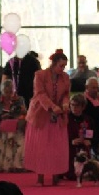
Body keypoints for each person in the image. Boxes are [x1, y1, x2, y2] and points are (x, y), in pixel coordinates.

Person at [24, 49, 70, 186]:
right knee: (41, 146)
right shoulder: (39, 75)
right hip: (40, 114)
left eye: (64, 66)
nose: (63, 69)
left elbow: (66, 94)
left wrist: (65, 103)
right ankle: (40, 177)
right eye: (61, 66)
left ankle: (56, 176)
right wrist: (51, 106)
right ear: (53, 64)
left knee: (57, 146)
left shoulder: (66, 77)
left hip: (59, 116)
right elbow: (39, 93)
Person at [0, 79, 27, 172]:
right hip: (2, 126)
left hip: (17, 125)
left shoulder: (19, 99)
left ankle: (18, 165)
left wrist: (20, 109)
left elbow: (25, 113)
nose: (8, 94)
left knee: (19, 137)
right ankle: (4, 165)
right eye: (6, 92)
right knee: (6, 135)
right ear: (2, 91)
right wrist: (3, 116)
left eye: (10, 91)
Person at [65, 93, 95, 180]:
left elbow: (90, 134)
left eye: (77, 106)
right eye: (72, 105)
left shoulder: (88, 119)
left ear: (83, 107)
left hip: (83, 148)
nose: (74, 108)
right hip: (69, 148)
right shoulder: (65, 119)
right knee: (72, 175)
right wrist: (71, 141)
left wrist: (88, 140)